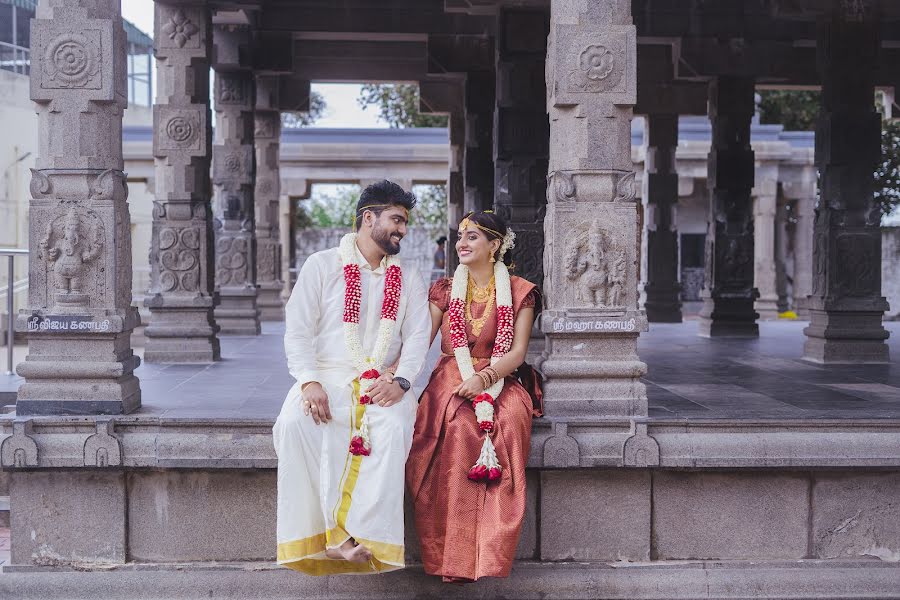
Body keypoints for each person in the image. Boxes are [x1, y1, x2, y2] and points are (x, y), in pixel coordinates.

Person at [273, 180, 432, 575]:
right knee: (295, 424)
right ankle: (330, 535)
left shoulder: (408, 276)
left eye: (405, 222)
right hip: (324, 376)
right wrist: (309, 382)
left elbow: (416, 337)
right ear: (368, 218)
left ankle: (367, 535)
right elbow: (297, 330)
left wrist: (402, 383)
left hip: (384, 382)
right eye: (396, 220)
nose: (403, 230)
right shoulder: (322, 265)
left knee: (393, 428)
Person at [406, 210, 542, 583]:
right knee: (459, 426)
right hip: (451, 375)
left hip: (500, 375)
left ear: (495, 246)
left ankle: (487, 555)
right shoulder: (445, 290)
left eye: (472, 237)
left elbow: (517, 352)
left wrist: (485, 378)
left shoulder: (520, 291)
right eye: (460, 236)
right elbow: (421, 342)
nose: (461, 243)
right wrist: (395, 375)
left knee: (508, 423)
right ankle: (451, 554)